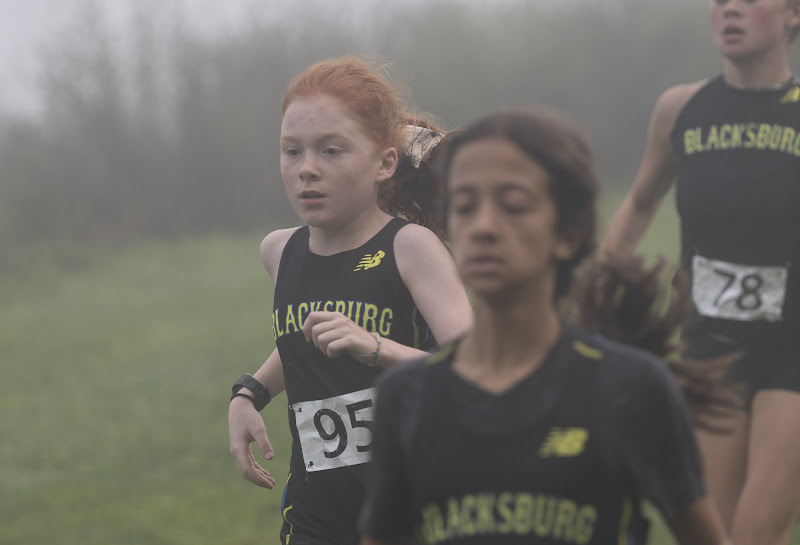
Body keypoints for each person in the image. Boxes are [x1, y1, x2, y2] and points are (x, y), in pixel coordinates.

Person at [357, 109, 733, 545]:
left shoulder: (632, 388)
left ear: (568, 233)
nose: (483, 227)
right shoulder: (404, 398)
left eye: (513, 205)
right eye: (464, 206)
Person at [227, 55, 473, 545]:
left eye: (331, 151)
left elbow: (475, 370)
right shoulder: (279, 252)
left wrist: (377, 348)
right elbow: (303, 340)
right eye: (291, 151)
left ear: (384, 162)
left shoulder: (410, 246)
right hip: (315, 518)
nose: (307, 170)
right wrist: (249, 393)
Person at [600, 1, 800, 543]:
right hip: (709, 349)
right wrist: (600, 285)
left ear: (792, 16)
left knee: (758, 532)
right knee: (712, 533)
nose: (730, 9)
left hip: (792, 353)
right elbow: (641, 203)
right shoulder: (681, 109)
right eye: (720, 1)